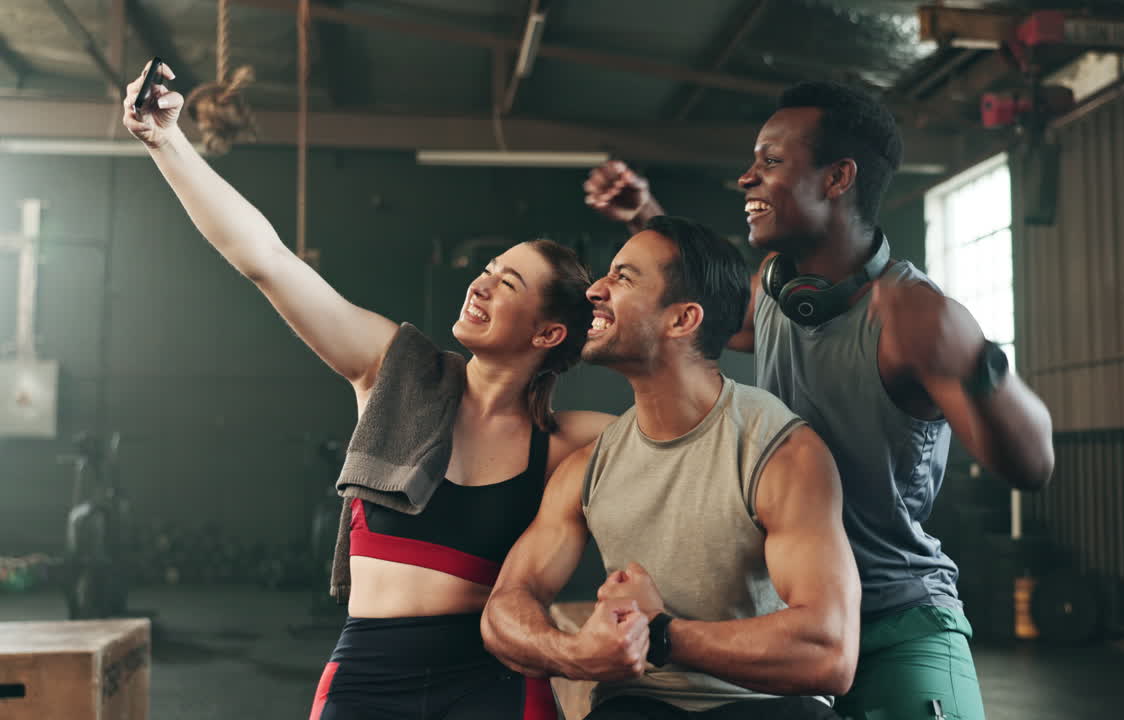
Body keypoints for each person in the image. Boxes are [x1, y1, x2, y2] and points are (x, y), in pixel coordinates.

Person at [123, 61, 613, 720]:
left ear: (549, 332)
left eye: (510, 283)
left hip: (493, 684)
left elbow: (695, 429)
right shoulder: (395, 372)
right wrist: (167, 143)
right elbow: (267, 261)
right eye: (489, 269)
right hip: (371, 673)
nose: (482, 282)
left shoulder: (567, 442)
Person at [582, 81, 1056, 720]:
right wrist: (646, 216)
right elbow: (694, 307)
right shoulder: (778, 293)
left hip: (894, 619)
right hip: (785, 619)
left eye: (771, 162)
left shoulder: (915, 316)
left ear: (838, 178)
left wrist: (974, 358)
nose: (747, 178)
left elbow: (1033, 466)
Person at [481, 216, 859, 719]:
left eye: (623, 277)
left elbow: (829, 652)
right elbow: (504, 607)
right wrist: (578, 653)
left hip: (766, 706)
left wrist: (658, 635)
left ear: (682, 320)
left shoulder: (782, 452)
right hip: (640, 706)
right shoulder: (590, 467)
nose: (595, 289)